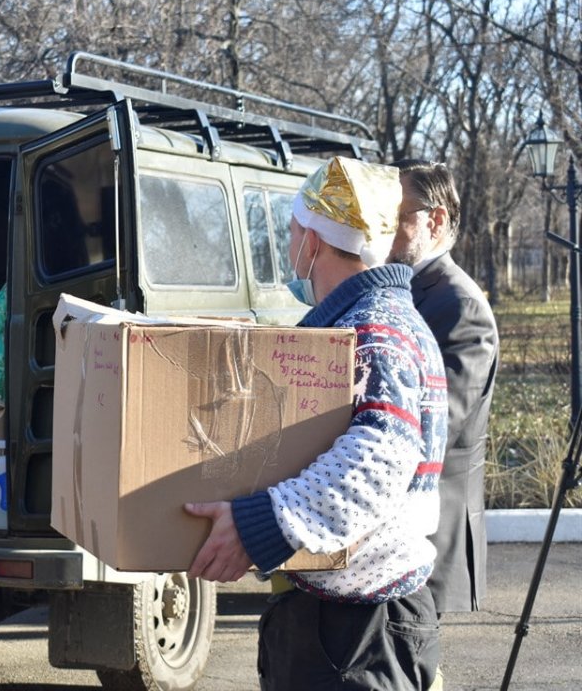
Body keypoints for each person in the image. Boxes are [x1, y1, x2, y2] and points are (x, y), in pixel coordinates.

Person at [185, 156, 448, 690]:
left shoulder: (375, 327)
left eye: (292, 231)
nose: (288, 247)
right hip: (349, 627)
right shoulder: (377, 319)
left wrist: (263, 525)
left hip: (356, 635)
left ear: (313, 240)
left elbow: (381, 459)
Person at [389, 159, 499, 615]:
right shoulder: (407, 291)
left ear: (434, 220)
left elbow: (436, 425)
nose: (385, 229)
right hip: (400, 536)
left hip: (433, 539)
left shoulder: (459, 304)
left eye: (398, 216)